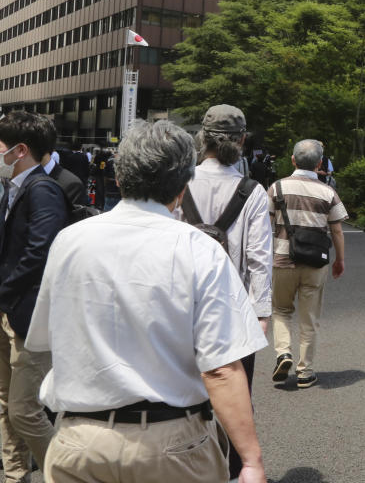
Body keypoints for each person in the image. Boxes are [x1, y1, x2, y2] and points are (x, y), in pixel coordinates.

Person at [25, 119, 267, 483]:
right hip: (170, 444)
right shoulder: (199, 250)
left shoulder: (69, 242)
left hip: (80, 440)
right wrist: (250, 459)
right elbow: (220, 369)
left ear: (119, 178)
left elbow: (45, 341)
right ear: (183, 186)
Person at [178, 105, 273, 481]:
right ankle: (236, 472)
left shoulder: (180, 183)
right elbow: (259, 259)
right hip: (233, 311)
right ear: (242, 141)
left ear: (201, 140)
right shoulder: (251, 191)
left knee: (186, 395)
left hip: (183, 308)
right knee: (236, 399)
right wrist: (262, 313)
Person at [0, 111, 68, 480]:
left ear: (19, 150)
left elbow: (39, 252)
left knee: (24, 409)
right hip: (8, 310)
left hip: (30, 316)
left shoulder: (43, 190)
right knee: (6, 404)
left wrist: (3, 290)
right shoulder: (14, 187)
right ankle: (14, 476)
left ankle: (70, 473)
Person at [268, 139, 348, 389]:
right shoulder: (328, 192)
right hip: (315, 263)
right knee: (309, 318)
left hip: (282, 258)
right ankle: (305, 372)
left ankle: (283, 353)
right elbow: (337, 230)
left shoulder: (277, 188)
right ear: (320, 163)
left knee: (281, 311)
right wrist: (340, 260)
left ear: (293, 160)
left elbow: (264, 225)